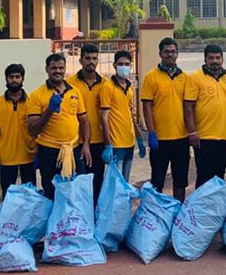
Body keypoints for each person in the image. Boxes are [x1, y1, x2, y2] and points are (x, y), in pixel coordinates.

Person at [27, 53, 92, 201]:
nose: (58, 71)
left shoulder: (75, 91)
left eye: (61, 68)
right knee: (51, 192)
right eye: (53, 68)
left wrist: (86, 144)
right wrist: (49, 110)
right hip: (49, 152)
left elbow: (84, 121)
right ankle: (53, 223)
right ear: (47, 70)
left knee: (76, 191)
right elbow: (32, 129)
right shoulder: (37, 95)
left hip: (73, 150)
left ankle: (72, 223)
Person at [142, 37, 189, 201]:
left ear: (177, 54)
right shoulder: (151, 77)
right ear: (160, 54)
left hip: (181, 138)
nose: (170, 55)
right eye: (166, 52)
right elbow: (147, 106)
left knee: (180, 180)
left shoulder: (185, 78)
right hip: (160, 139)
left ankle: (177, 210)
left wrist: (191, 131)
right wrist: (151, 133)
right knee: (158, 180)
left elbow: (188, 108)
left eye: (173, 52)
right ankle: (158, 213)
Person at [183, 44, 226, 187]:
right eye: (211, 58)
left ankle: (216, 208)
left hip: (224, 137)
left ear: (222, 59)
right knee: (204, 176)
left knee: (219, 176)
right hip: (203, 138)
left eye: (218, 58)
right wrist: (192, 132)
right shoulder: (195, 78)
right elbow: (188, 107)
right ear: (205, 59)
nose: (215, 61)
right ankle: (200, 208)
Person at [67, 44, 108, 203]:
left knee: (97, 182)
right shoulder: (70, 84)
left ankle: (94, 218)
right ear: (80, 60)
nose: (91, 62)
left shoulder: (105, 83)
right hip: (77, 143)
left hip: (99, 142)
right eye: (88, 58)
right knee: (79, 184)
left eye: (94, 58)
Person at [0, 63, 36, 198]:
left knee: (31, 195)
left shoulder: (31, 101)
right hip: (6, 157)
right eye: (11, 77)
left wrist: (38, 151)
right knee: (7, 195)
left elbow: (38, 129)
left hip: (28, 155)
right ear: (6, 79)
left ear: (23, 79)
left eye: (17, 77)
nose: (14, 80)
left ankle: (29, 220)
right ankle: (8, 220)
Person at [100, 50, 146, 182]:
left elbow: (130, 113)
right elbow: (104, 118)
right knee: (115, 183)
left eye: (126, 64)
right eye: (120, 64)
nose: (124, 67)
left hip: (129, 142)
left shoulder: (130, 88)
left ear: (131, 65)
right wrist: (108, 144)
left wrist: (139, 138)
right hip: (116, 143)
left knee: (125, 182)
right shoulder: (108, 88)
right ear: (114, 65)